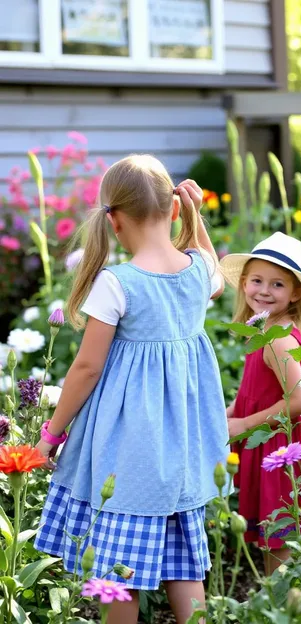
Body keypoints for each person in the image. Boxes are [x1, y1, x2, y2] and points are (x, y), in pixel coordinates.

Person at [35, 155, 229, 624]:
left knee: (118, 571)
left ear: (114, 220)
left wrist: (50, 436)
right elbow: (218, 279)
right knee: (185, 566)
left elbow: (86, 368)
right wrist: (197, 218)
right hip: (182, 450)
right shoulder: (198, 269)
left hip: (129, 454)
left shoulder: (117, 282)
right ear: (176, 210)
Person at [220, 232, 301, 574]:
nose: (265, 291)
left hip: (284, 445)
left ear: (295, 293)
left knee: (281, 531)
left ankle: (283, 598)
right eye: (257, 281)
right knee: (277, 531)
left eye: (277, 285)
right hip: (270, 434)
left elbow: (298, 402)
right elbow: (254, 395)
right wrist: (226, 414)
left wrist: (242, 425)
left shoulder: (280, 340)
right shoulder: (264, 331)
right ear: (243, 284)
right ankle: (283, 595)